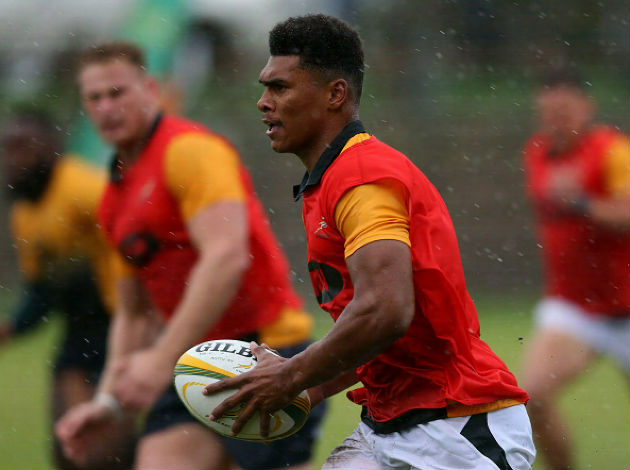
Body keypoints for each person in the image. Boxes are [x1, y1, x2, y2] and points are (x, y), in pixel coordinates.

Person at [204, 14, 536, 470]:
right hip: (388, 425)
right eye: (265, 87)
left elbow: (385, 310)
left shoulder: (362, 178)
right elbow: (372, 333)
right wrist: (305, 387)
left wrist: (290, 373)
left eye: (280, 88)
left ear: (335, 94)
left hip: (454, 428)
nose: (264, 102)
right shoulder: (328, 180)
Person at [55, 41, 325, 470]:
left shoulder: (192, 152)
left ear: (150, 89)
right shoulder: (112, 199)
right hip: (193, 360)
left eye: (118, 92)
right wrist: (108, 402)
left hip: (265, 352)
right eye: (95, 97)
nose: (106, 106)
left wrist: (160, 360)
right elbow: (133, 314)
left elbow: (226, 258)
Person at [0, 110, 136, 469]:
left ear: (50, 148)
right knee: (69, 449)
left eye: (21, 147)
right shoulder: (24, 213)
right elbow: (42, 289)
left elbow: (139, 244)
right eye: (6, 150)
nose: (12, 159)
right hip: (80, 333)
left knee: (108, 456)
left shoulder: (84, 188)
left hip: (121, 324)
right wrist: (12, 326)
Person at [519, 69, 630, 470]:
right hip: (576, 306)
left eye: (565, 110)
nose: (557, 120)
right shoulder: (536, 152)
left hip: (627, 303)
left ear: (587, 108)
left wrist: (583, 201)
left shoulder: (613, 150)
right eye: (549, 112)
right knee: (531, 399)